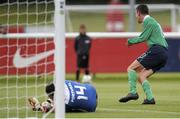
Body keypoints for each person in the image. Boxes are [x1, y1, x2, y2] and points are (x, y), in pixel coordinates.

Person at [119, 4, 168, 104]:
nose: (136, 16)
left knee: (131, 68)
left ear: (139, 12)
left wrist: (130, 41)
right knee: (142, 76)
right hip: (163, 54)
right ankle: (150, 98)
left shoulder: (148, 21)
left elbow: (143, 37)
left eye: (136, 14)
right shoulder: (153, 21)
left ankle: (133, 92)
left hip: (156, 50)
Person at [28, 80, 97, 113]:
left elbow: (55, 110)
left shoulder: (65, 102)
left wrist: (40, 108)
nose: (49, 97)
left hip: (92, 105)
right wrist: (48, 102)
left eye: (49, 96)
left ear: (53, 94)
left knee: (73, 109)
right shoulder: (63, 82)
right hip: (92, 89)